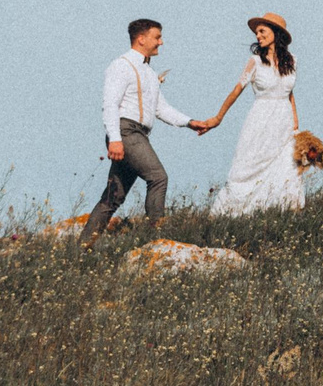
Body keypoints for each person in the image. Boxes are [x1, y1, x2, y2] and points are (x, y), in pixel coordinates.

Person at [84, 18, 211, 237]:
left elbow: (161, 109)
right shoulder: (121, 65)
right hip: (126, 132)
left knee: (113, 196)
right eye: (157, 37)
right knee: (158, 177)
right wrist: (115, 138)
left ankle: (82, 247)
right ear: (141, 39)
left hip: (137, 134)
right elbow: (110, 104)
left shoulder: (150, 73)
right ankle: (158, 237)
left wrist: (190, 122)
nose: (161, 42)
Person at [200, 12, 306, 215]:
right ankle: (235, 213)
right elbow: (236, 90)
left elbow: (289, 93)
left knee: (287, 166)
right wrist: (218, 117)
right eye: (257, 32)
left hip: (283, 120)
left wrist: (295, 122)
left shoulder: (292, 61)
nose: (258, 35)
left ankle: (282, 213)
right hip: (261, 118)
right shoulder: (255, 61)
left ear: (276, 33)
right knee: (249, 165)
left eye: (262, 31)